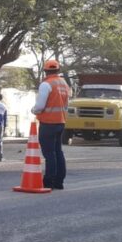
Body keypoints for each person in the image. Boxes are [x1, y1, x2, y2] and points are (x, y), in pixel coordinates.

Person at [32, 58, 70, 189]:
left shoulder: (46, 84)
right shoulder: (64, 84)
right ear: (58, 70)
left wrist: (34, 110)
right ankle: (59, 181)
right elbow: (66, 105)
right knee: (58, 151)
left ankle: (49, 180)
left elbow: (40, 106)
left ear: (45, 71)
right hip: (60, 122)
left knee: (49, 153)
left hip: (48, 123)